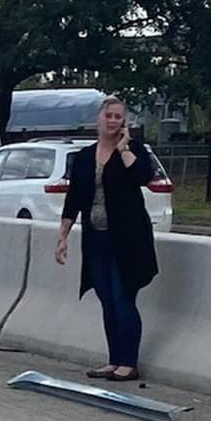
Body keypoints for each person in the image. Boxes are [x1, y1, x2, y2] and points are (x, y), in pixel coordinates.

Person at [55, 96, 157, 382]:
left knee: (124, 299)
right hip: (96, 239)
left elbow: (143, 177)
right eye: (109, 116)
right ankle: (114, 359)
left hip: (128, 240)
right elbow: (74, 198)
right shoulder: (85, 157)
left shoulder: (133, 150)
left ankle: (129, 362)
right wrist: (62, 236)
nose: (113, 121)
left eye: (119, 117)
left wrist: (124, 148)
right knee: (107, 300)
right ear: (99, 119)